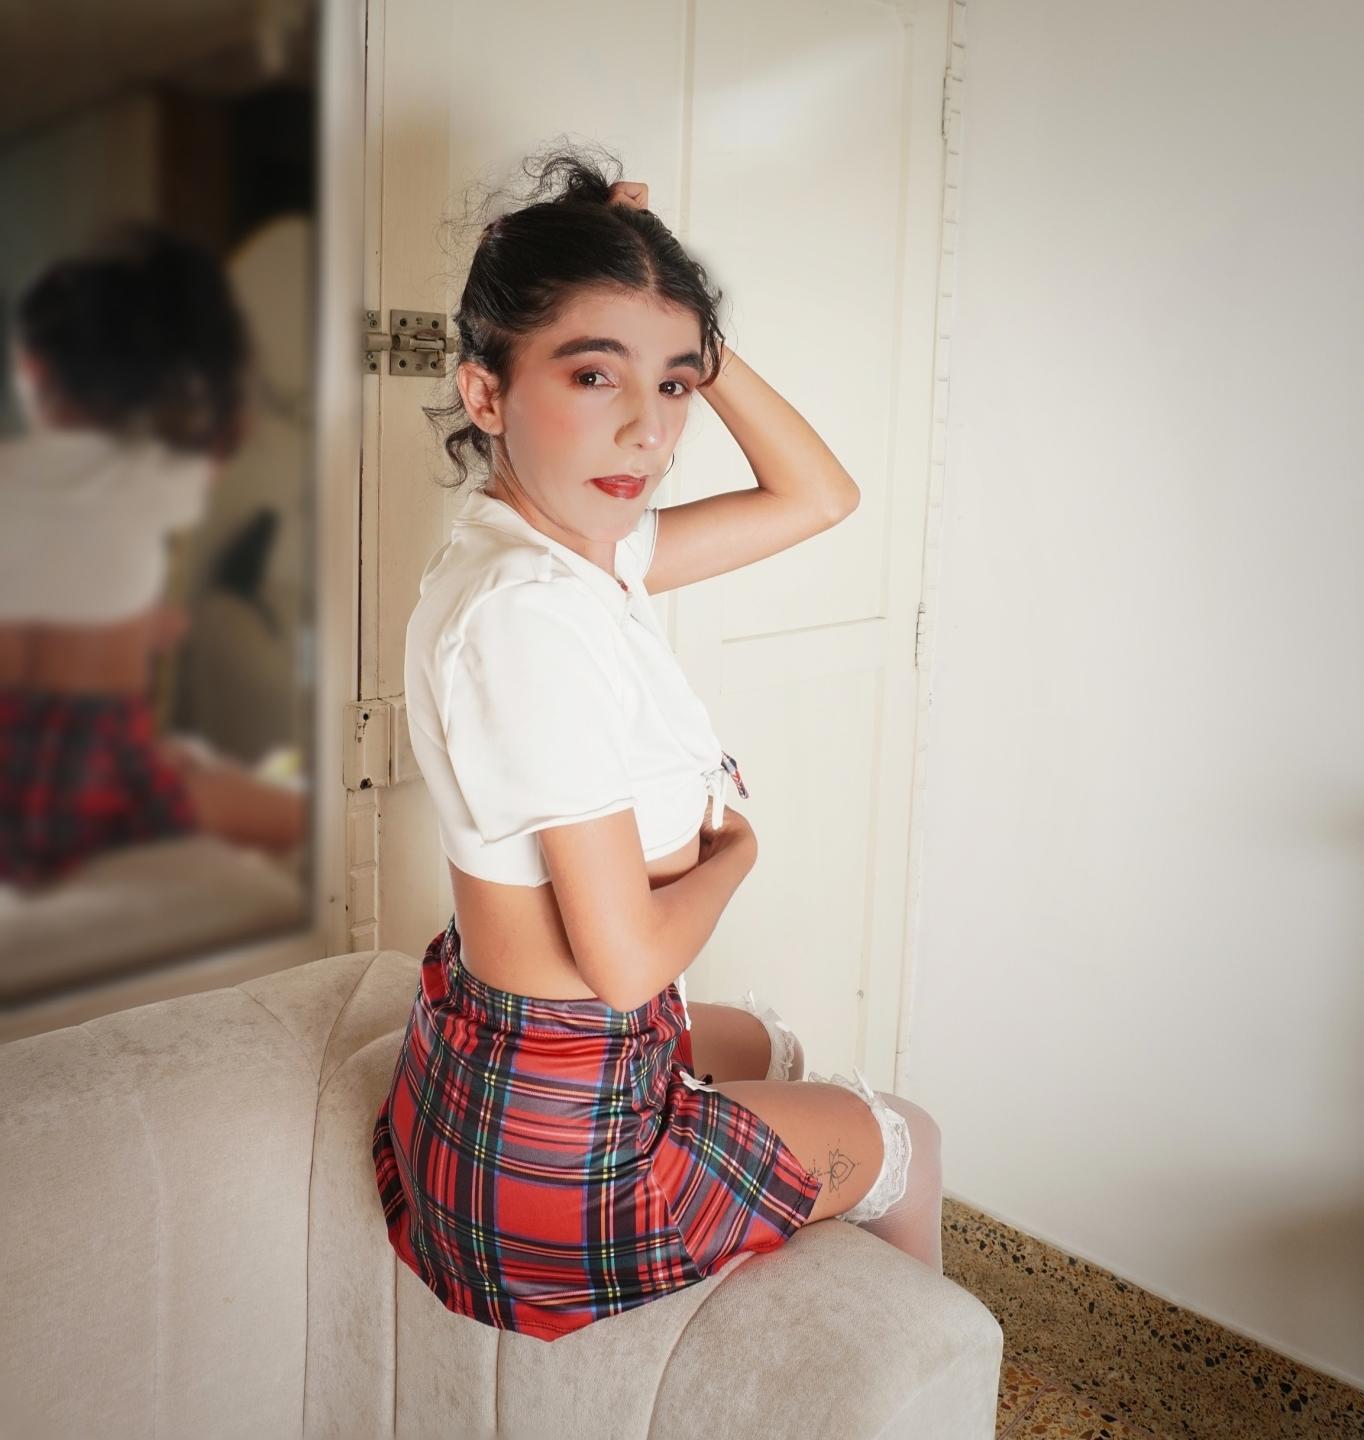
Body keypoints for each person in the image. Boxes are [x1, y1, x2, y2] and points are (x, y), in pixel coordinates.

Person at [372, 147, 943, 1343]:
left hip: (506, 1072)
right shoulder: (531, 619)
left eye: (674, 385)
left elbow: (817, 497)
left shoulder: (555, 555)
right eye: (594, 374)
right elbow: (627, 964)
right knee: (907, 1138)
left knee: (774, 1045)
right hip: (557, 1162)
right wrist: (738, 854)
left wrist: (675, 311)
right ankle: (901, 1370)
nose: (647, 430)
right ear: (485, 394)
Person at [0, 220, 306, 887]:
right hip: (83, 791)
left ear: (34, 369)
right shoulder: (164, 473)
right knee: (298, 818)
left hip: (34, 762)